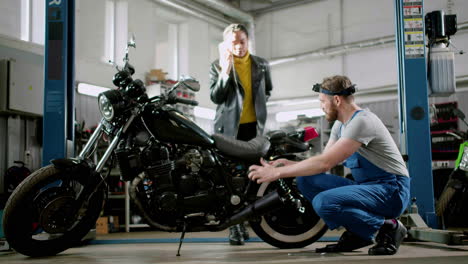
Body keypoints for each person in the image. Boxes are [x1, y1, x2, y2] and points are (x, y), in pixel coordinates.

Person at [248, 75, 410, 255]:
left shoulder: (362, 121)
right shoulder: (340, 126)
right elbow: (324, 159)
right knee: (306, 180)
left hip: (392, 191)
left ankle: (389, 227)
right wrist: (292, 164)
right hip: (368, 188)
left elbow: (325, 164)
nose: (321, 106)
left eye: (322, 101)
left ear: (337, 100)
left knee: (323, 202)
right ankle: (360, 233)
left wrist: (277, 173)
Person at [209, 23, 273, 245]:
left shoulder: (262, 65)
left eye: (242, 41)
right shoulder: (217, 66)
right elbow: (216, 97)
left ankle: (247, 223)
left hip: (253, 130)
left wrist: (259, 109)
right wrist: (225, 70)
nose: (238, 46)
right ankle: (234, 228)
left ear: (248, 41)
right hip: (228, 130)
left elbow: (268, 90)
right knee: (229, 180)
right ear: (227, 44)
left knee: (251, 178)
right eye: (233, 42)